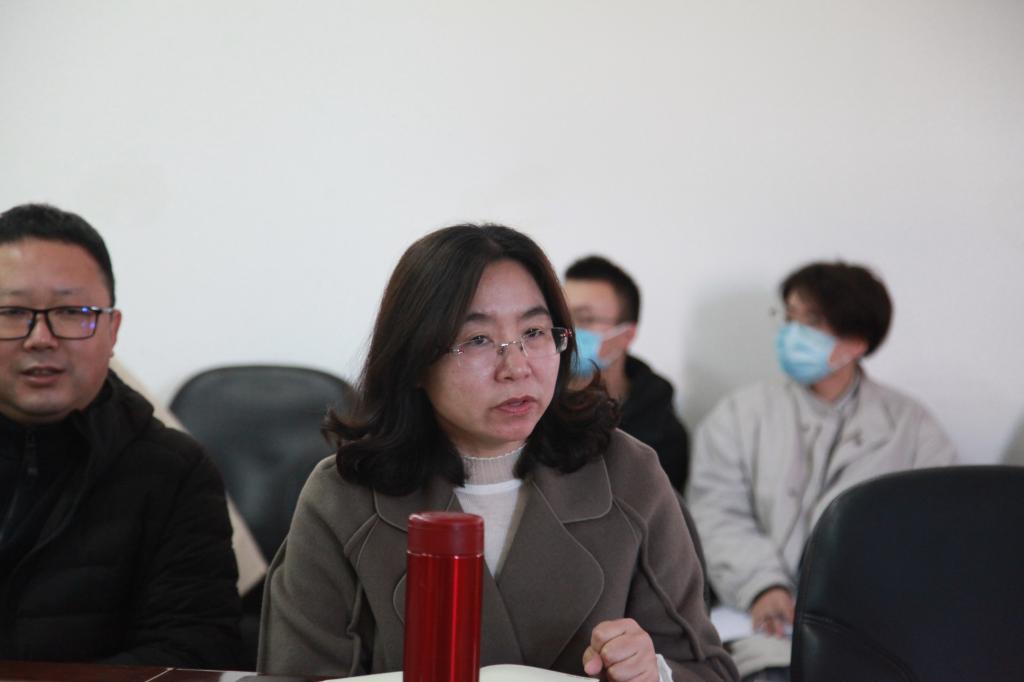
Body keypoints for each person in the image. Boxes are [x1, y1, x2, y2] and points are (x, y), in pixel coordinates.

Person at [258, 224, 738, 681]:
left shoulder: (628, 473)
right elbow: (296, 673)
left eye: (534, 333)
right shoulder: (342, 497)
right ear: (415, 359)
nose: (516, 367)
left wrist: (654, 672)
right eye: (478, 340)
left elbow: (708, 669)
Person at [687, 261, 956, 681]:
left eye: (811, 321)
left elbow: (935, 538)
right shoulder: (740, 414)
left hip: (870, 636)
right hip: (759, 628)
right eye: (789, 317)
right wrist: (763, 585)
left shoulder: (914, 429)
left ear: (857, 342)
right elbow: (715, 511)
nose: (791, 332)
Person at [0, 203, 242, 666]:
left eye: (71, 311)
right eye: (12, 311)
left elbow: (193, 652)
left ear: (112, 331)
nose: (40, 337)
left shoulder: (175, 472)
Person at [564, 256, 690, 490]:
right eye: (560, 316)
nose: (568, 330)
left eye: (585, 319)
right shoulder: (532, 406)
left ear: (626, 335)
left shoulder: (661, 433)